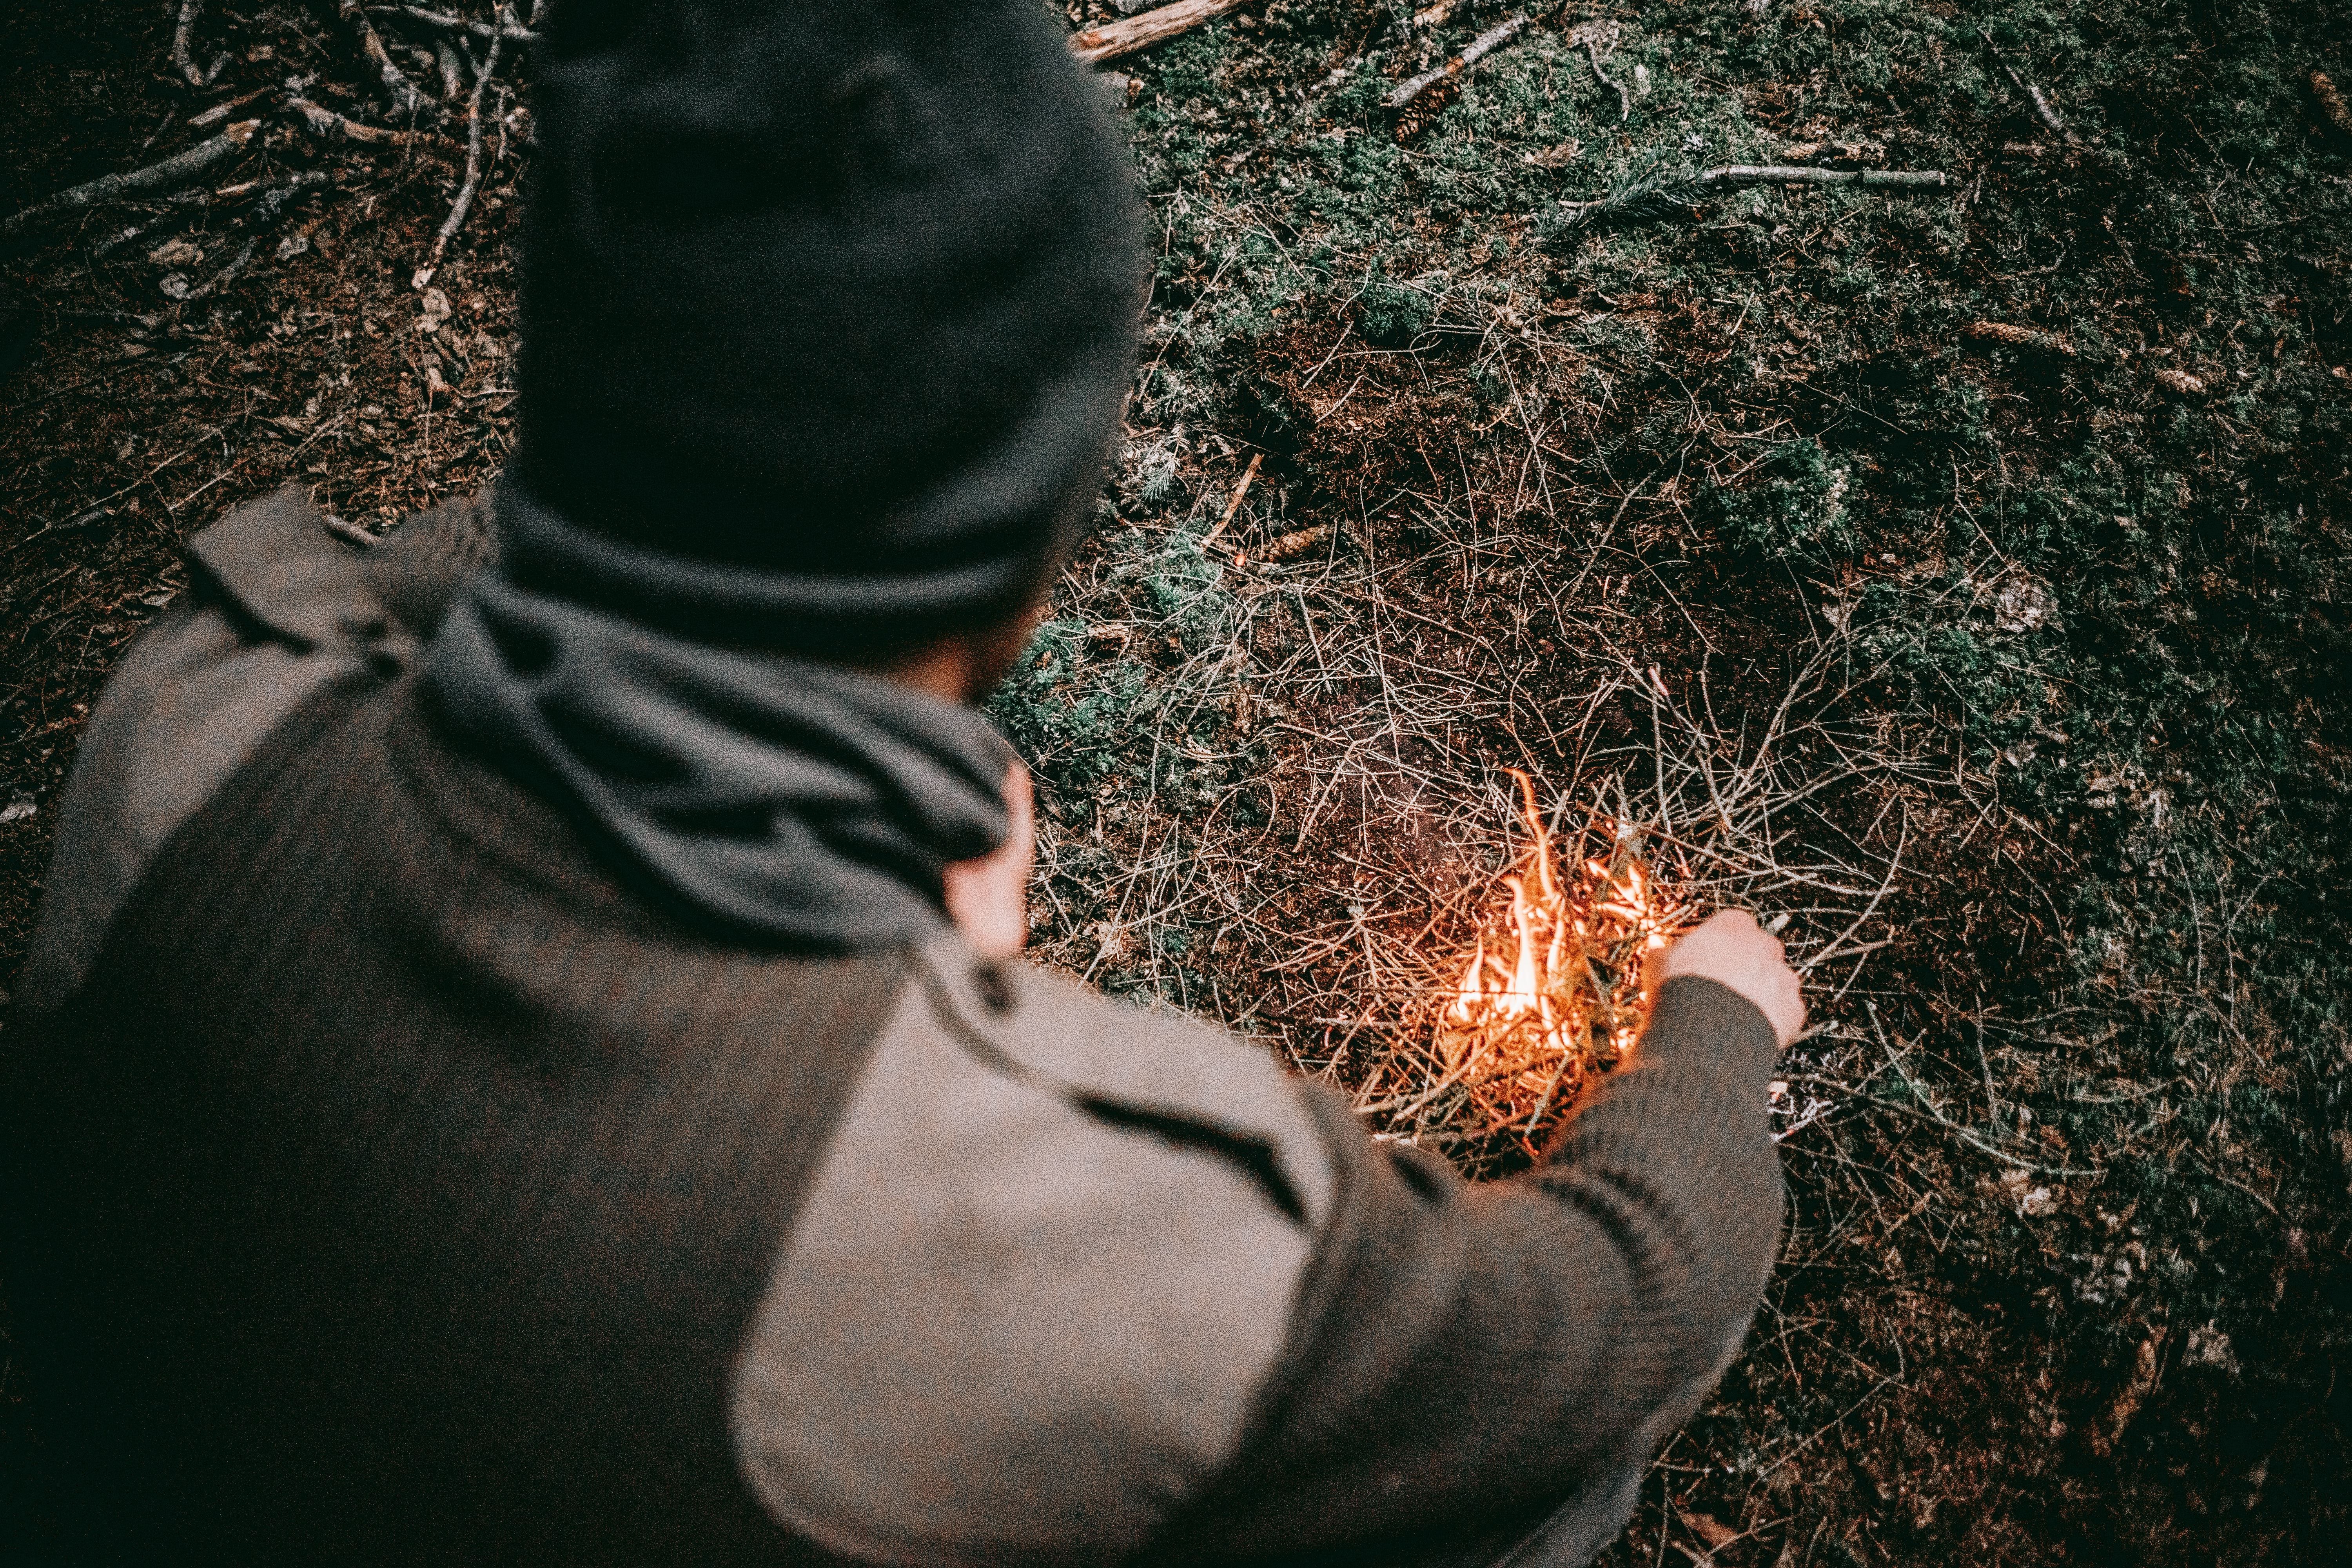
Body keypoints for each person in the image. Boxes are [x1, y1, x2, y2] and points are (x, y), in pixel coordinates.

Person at [0, 0, 1803, 1563]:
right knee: (1509, 1486)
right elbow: (1623, 1302)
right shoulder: (1049, 1223)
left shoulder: (196, 713)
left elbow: (490, 563)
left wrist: (841, 853)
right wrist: (1713, 1029)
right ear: (1026, 532)